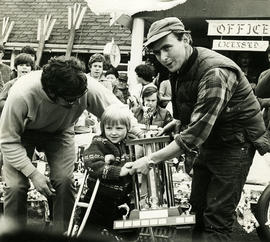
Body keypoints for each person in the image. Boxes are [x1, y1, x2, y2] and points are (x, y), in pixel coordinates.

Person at [130, 17, 269, 242]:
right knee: (197, 211)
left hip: (235, 144)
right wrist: (173, 124)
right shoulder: (181, 67)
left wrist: (150, 160)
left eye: (167, 47)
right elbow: (190, 112)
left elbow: (196, 133)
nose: (163, 57)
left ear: (185, 39)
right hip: (212, 141)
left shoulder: (215, 71)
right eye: (156, 52)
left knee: (217, 220)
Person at [0, 56, 140, 233]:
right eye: (69, 100)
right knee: (16, 187)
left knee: (64, 182)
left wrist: (141, 133)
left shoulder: (84, 84)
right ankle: (13, 235)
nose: (75, 102)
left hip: (60, 131)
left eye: (78, 98)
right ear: (51, 93)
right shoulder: (22, 94)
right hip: (21, 136)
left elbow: (118, 111)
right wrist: (34, 174)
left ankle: (64, 233)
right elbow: (7, 141)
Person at [82, 104, 137, 240]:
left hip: (122, 200)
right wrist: (119, 171)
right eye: (109, 128)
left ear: (127, 128)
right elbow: (92, 165)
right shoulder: (99, 143)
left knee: (129, 231)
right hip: (98, 199)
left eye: (119, 128)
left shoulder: (131, 143)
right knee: (89, 231)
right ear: (103, 128)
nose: (113, 132)